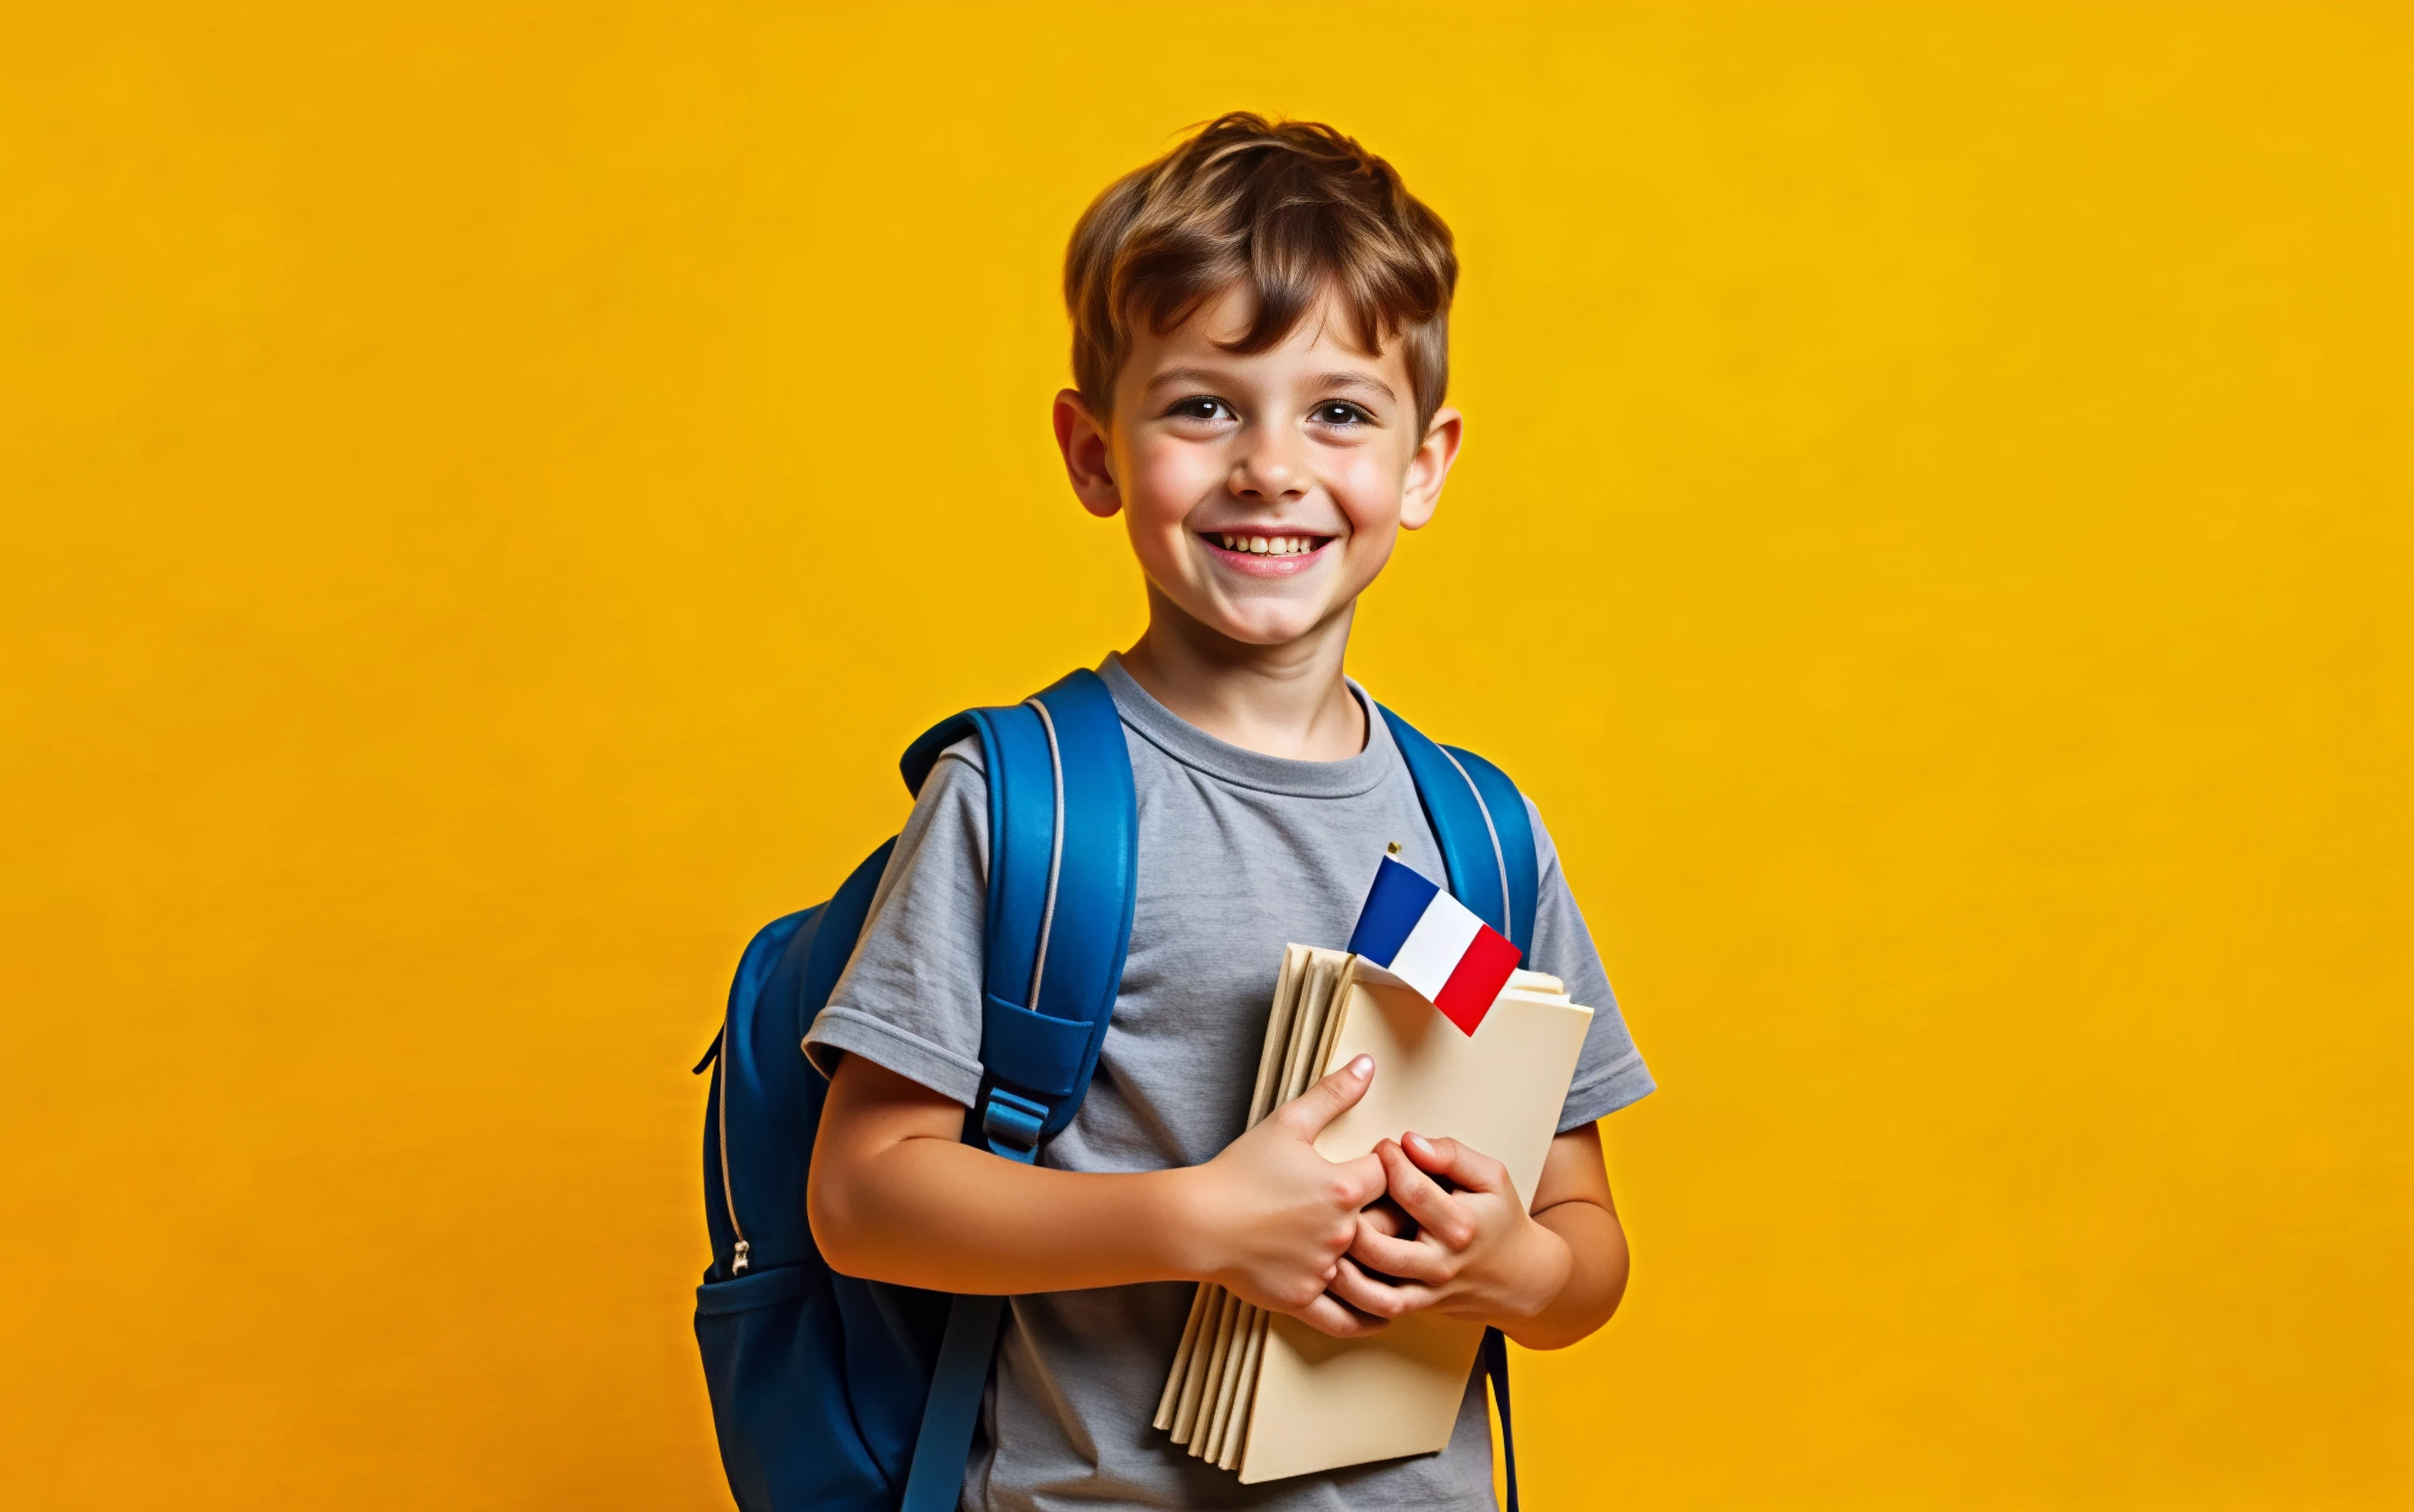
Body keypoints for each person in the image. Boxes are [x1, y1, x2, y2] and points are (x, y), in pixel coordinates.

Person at [803, 112, 1654, 1511]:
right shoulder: (1028, 807)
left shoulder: (1479, 835)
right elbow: (863, 1196)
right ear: (1093, 452)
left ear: (1424, 463)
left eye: (1339, 411)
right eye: (1203, 407)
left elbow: (1585, 1246)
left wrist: (1512, 1265)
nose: (1270, 465)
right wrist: (1192, 1218)